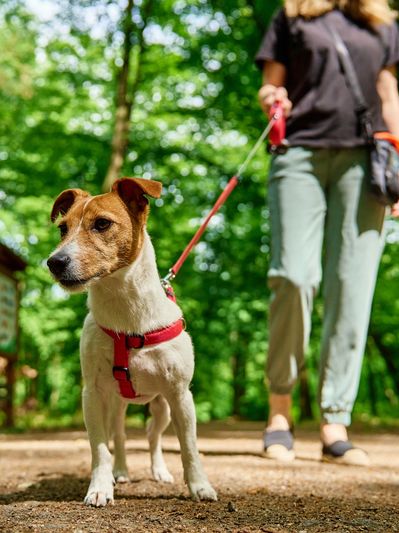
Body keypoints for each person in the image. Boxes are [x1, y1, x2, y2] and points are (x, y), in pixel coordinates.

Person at [256, 0, 399, 464]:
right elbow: (270, 84)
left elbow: (388, 91)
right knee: (294, 276)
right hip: (299, 154)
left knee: (352, 286)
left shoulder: (380, 21)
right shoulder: (293, 15)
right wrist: (271, 99)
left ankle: (336, 418)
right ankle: (280, 411)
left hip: (366, 160)